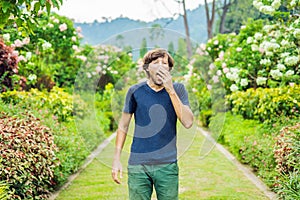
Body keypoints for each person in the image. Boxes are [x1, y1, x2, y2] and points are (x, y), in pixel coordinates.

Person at [112, 48, 194, 200]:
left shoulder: (178, 89)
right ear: (147, 68)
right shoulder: (135, 91)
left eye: (165, 63)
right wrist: (116, 159)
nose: (161, 66)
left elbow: (188, 122)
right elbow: (123, 126)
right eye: (156, 63)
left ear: (169, 69)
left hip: (167, 164)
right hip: (138, 164)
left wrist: (170, 90)